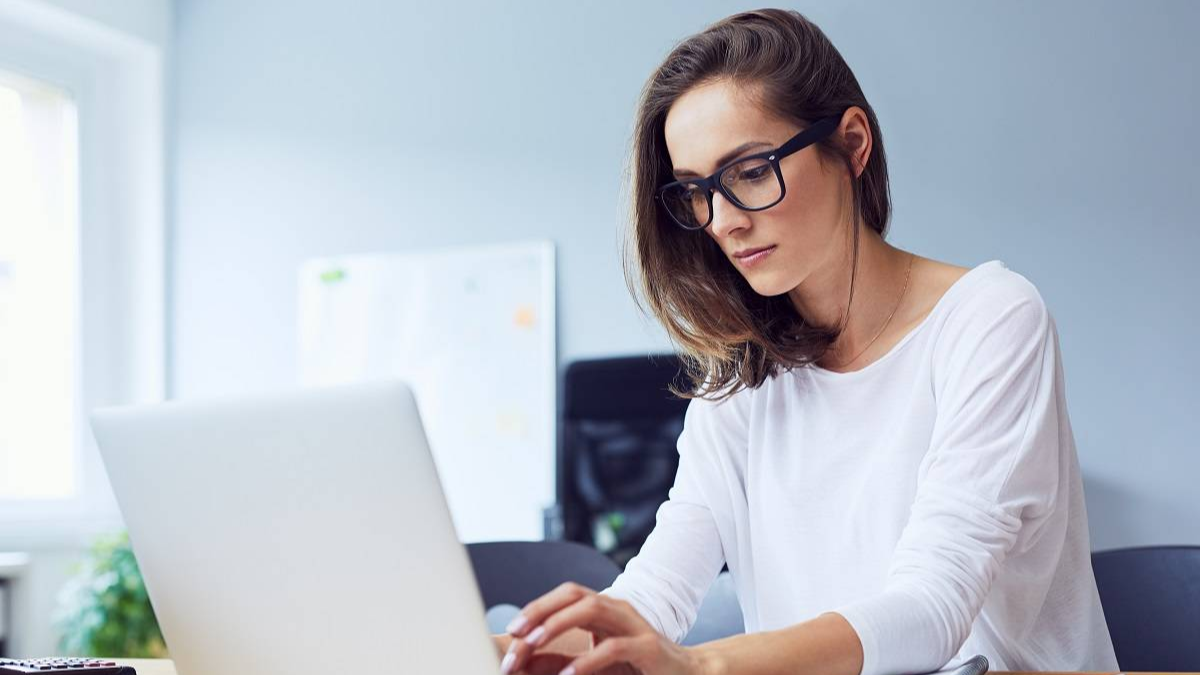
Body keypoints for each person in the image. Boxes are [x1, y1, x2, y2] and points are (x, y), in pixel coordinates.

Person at [495, 8, 1118, 675]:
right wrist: (514, 651)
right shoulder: (739, 375)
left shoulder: (990, 320)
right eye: (697, 192)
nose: (724, 222)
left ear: (851, 144)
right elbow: (655, 596)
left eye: (753, 171)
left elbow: (933, 607)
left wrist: (702, 666)